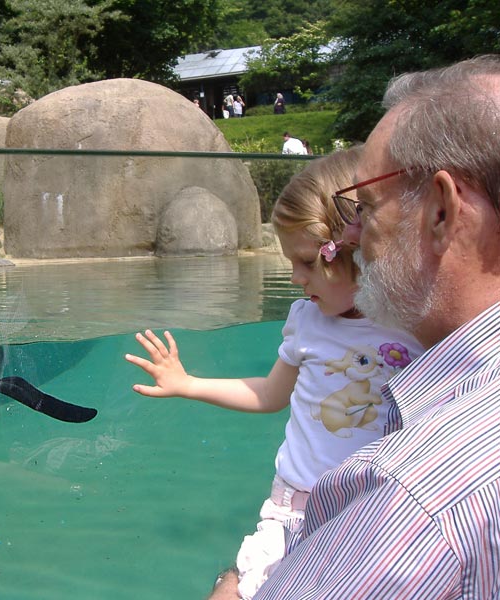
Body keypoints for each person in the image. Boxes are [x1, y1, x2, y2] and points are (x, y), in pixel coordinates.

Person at [214, 54, 500, 599]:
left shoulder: (413, 502)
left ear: (441, 211)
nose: (349, 238)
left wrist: (229, 588)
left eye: (364, 208)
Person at [124, 149, 424, 599]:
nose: (294, 278)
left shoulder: (415, 325)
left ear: (358, 249)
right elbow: (269, 394)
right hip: (295, 509)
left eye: (307, 262)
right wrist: (188, 384)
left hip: (375, 510)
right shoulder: (307, 321)